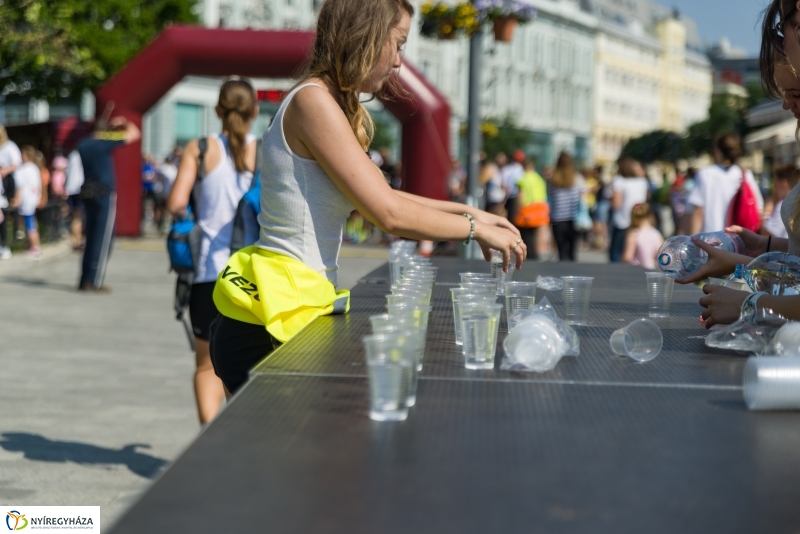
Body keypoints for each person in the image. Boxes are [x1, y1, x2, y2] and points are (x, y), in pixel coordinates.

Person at [209, 0, 525, 396]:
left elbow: (382, 197)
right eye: (397, 43)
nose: (398, 61)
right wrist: (475, 229)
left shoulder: (328, 102)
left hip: (288, 304)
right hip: (269, 317)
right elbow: (387, 214)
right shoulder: (313, 101)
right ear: (367, 36)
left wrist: (469, 211)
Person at [678, 44, 800, 325]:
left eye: (795, 94)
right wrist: (762, 249)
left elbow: (694, 211)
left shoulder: (707, 174)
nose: (785, 103)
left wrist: (749, 304)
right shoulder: (744, 174)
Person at [168, 78, 258, 424]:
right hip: (252, 278)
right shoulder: (265, 150)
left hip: (208, 273)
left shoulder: (200, 148)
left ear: (218, 111)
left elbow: (177, 203)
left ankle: (209, 435)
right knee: (248, 365)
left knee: (207, 366)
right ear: (253, 111)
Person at [76, 115, 140, 291]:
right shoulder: (104, 142)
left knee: (90, 236)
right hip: (104, 193)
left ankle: (84, 278)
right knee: (103, 238)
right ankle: (94, 281)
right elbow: (135, 133)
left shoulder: (83, 144)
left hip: (88, 191)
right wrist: (123, 123)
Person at [686, 133, 763, 235]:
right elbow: (758, 208)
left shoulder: (705, 174)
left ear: (717, 151)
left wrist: (693, 240)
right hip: (738, 241)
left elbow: (697, 212)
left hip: (711, 240)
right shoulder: (745, 175)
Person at [609, 155, 649, 262]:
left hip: (621, 221)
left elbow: (616, 204)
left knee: (615, 252)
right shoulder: (642, 181)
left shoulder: (619, 181)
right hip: (637, 220)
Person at [547, 151, 582, 262]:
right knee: (572, 251)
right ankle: (573, 273)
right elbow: (581, 196)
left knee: (561, 251)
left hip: (557, 218)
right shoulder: (576, 179)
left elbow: (550, 195)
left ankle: (563, 273)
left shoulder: (553, 180)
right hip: (573, 218)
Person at [515, 157, 548, 260]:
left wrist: (517, 211)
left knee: (526, 237)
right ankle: (536, 255)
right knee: (537, 237)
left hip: (527, 210)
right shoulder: (539, 179)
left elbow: (521, 197)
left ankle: (529, 257)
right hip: (540, 210)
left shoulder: (523, 179)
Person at [12, 146, 42, 259]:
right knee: (31, 224)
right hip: (32, 199)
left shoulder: (23, 169)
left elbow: (20, 187)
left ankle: (36, 248)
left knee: (30, 225)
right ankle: (32, 245)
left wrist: (16, 200)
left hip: (26, 201)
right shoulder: (35, 168)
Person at [0, 124, 22, 259]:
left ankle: (6, 243)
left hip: (8, 181)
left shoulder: (9, 146)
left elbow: (16, 163)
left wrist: (4, 171)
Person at [621, 203, 664, 269]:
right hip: (651, 269)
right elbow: (661, 254)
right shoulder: (656, 234)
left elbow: (628, 257)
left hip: (636, 271)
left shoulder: (633, 234)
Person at [762, 164, 799, 238]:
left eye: (775, 184)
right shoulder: (796, 202)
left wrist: (766, 211)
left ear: (783, 183)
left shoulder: (783, 205)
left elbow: (766, 233)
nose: (774, 188)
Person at [64, 149, 85, 250]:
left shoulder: (72, 155)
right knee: (79, 217)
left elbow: (67, 172)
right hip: (80, 188)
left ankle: (75, 240)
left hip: (71, 188)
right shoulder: (84, 154)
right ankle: (78, 240)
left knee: (75, 217)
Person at [499, 150, 525, 225]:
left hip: (507, 197)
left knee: (509, 219)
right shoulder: (521, 169)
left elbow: (502, 185)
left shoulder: (506, 169)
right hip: (517, 197)